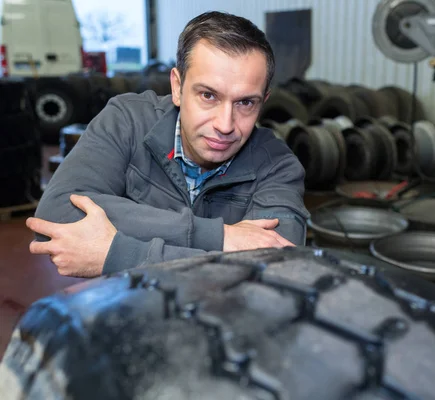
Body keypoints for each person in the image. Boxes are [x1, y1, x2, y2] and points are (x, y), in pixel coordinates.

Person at [26, 11, 310, 278]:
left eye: (246, 102)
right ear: (177, 87)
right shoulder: (128, 121)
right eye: (208, 95)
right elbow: (57, 213)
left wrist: (116, 255)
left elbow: (273, 271)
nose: (225, 124)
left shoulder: (278, 166)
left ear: (264, 100)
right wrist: (218, 236)